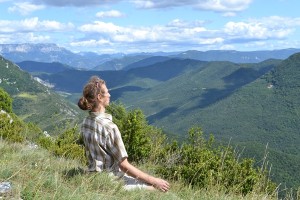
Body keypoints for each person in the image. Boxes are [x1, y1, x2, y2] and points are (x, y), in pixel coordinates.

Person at [78, 76, 170, 192]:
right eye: (107, 92)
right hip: (110, 181)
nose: (109, 95)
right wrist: (153, 180)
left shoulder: (85, 123)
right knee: (157, 190)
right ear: (99, 97)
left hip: (93, 177)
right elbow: (124, 165)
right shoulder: (110, 128)